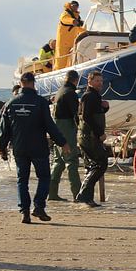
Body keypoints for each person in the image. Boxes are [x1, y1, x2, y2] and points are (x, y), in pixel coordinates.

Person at [0, 72, 69, 223]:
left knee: (22, 180)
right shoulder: (40, 102)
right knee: (44, 177)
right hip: (38, 147)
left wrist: (2, 147)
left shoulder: (11, 102)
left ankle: (25, 212)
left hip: (19, 147)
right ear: (33, 83)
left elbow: (4, 129)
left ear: (21, 83)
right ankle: (39, 207)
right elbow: (50, 125)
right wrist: (62, 142)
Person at [74, 71, 109, 207]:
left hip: (85, 136)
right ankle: (83, 194)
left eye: (101, 81)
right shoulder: (90, 96)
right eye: (97, 81)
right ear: (89, 82)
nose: (100, 83)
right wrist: (99, 133)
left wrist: (105, 108)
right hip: (90, 137)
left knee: (91, 166)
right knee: (100, 164)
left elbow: (90, 113)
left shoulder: (93, 96)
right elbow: (87, 116)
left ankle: (88, 198)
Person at [50, 70, 81, 202]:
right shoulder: (70, 93)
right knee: (71, 161)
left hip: (57, 128)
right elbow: (75, 114)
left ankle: (51, 193)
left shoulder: (59, 92)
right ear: (76, 80)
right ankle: (78, 195)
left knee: (59, 162)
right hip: (66, 128)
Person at [55, 1, 86, 70]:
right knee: (61, 60)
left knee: (70, 60)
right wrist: (73, 21)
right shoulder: (65, 14)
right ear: (70, 6)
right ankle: (57, 71)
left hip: (72, 42)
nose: (75, 7)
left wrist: (85, 29)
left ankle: (69, 71)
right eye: (73, 5)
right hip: (63, 43)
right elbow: (65, 19)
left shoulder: (77, 17)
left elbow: (79, 28)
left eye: (76, 6)